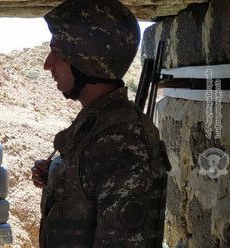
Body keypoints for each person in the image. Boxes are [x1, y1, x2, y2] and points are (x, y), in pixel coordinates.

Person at [31, 0, 171, 247]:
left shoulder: (123, 140)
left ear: (86, 59)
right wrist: (56, 175)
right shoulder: (99, 124)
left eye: (57, 53)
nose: (47, 64)